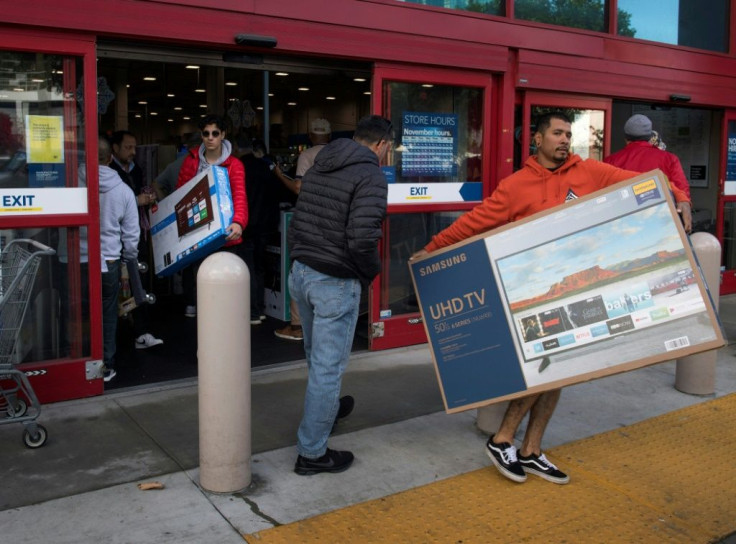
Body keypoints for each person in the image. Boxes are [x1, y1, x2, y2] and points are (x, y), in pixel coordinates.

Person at [411, 112, 692, 485]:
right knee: (550, 365)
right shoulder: (516, 185)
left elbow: (647, 181)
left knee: (563, 369)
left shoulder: (591, 171)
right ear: (537, 140)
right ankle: (503, 440)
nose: (565, 140)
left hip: (575, 291)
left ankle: (530, 449)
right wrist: (429, 250)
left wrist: (679, 195)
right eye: (558, 133)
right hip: (535, 295)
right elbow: (473, 223)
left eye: (569, 134)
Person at [289, 114, 393, 475]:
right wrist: (369, 274)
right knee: (328, 368)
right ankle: (312, 453)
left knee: (317, 359)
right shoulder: (371, 175)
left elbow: (299, 216)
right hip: (334, 279)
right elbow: (363, 238)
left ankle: (325, 411)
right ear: (382, 145)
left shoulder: (321, 162)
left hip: (301, 272)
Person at [176, 114, 248, 317]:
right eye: (206, 133)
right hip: (197, 232)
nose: (210, 137)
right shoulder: (191, 162)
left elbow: (240, 197)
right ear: (201, 135)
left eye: (215, 133)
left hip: (225, 233)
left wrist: (238, 223)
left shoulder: (235, 165)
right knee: (199, 280)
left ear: (222, 135)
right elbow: (180, 196)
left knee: (226, 284)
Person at [273, 118, 332, 341]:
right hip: (333, 221)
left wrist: (280, 176)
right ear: (330, 135)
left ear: (310, 135)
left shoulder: (307, 156)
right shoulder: (337, 155)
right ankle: (323, 322)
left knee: (299, 270)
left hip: (309, 219)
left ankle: (297, 327)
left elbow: (298, 187)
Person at [109, 130, 163, 350]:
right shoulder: (108, 172)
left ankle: (142, 332)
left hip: (136, 234)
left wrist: (147, 197)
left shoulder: (136, 169)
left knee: (139, 282)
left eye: (134, 147)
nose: (132, 152)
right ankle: (111, 342)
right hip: (114, 238)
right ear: (114, 149)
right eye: (127, 147)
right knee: (114, 288)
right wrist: (135, 200)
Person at [98, 138, 140, 382]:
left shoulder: (73, 183)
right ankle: (106, 363)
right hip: (109, 261)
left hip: (72, 261)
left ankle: (79, 360)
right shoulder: (124, 190)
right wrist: (130, 260)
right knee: (108, 313)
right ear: (109, 158)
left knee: (75, 312)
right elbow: (131, 235)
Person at [239, 138, 280, 324]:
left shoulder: (239, 168)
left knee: (247, 267)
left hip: (246, 225)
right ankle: (261, 309)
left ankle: (253, 312)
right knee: (260, 267)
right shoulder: (266, 168)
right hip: (266, 225)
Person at [604, 114, 691, 199]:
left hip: (622, 211)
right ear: (650, 136)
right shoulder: (669, 159)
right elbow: (682, 190)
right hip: (662, 211)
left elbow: (603, 194)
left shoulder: (610, 161)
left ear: (626, 137)